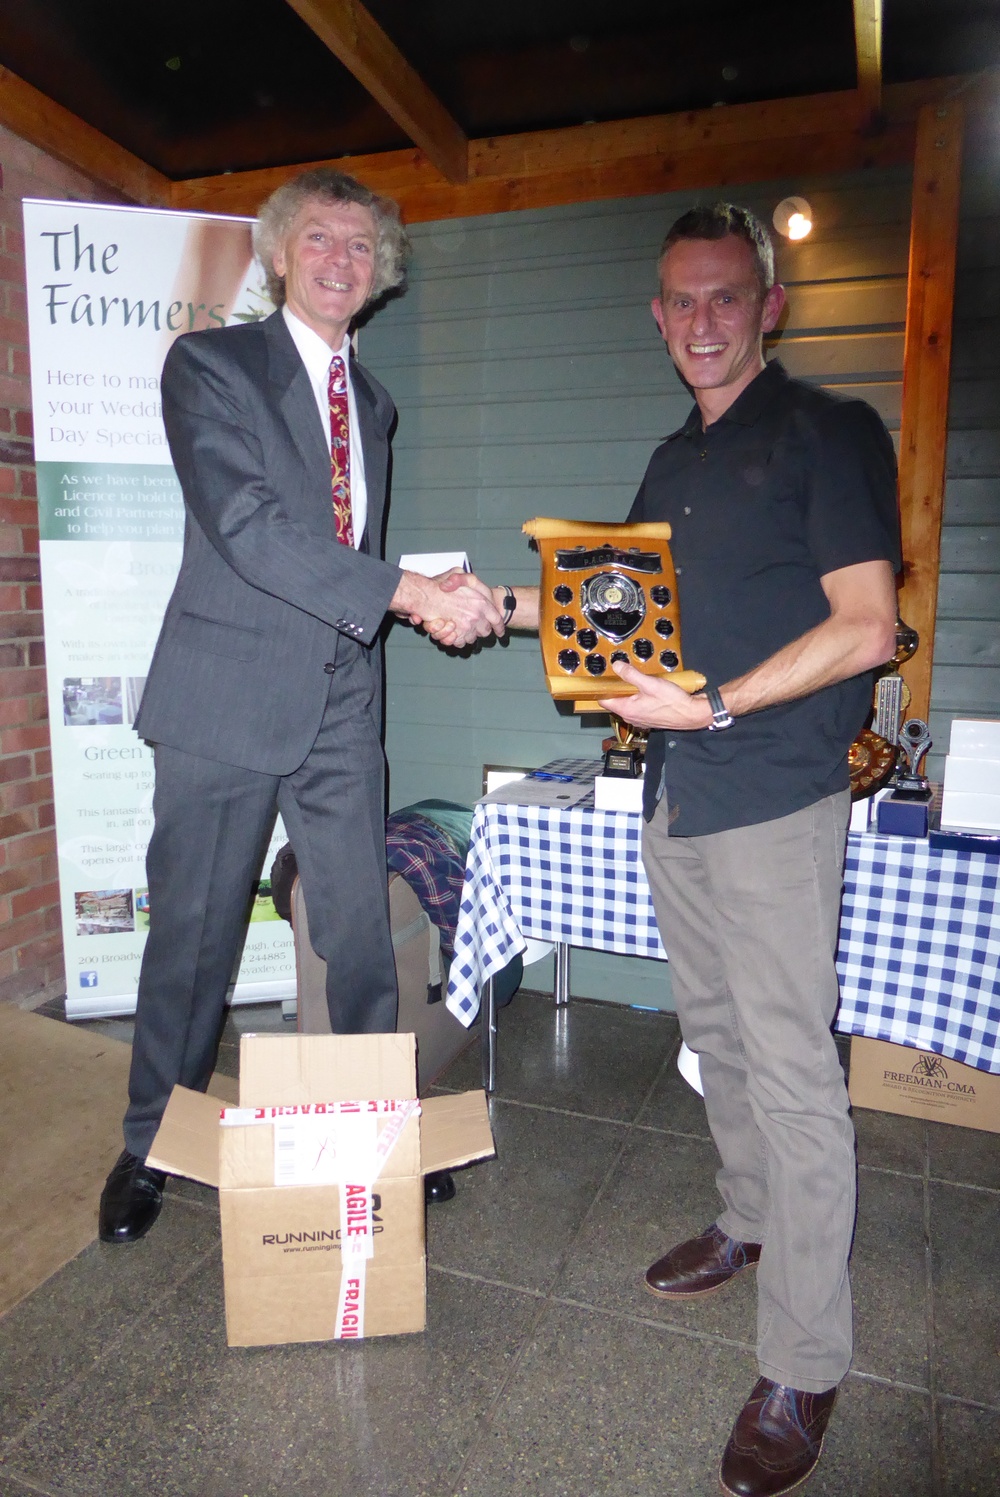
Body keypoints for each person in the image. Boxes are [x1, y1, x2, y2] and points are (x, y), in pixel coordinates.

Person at [457, 203, 899, 1497]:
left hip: (771, 793)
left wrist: (715, 705)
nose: (702, 321)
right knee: (716, 1035)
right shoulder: (671, 462)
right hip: (677, 798)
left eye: (726, 297)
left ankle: (805, 1362)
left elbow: (866, 627)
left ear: (768, 306)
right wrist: (492, 603)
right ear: (658, 319)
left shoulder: (829, 431)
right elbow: (616, 614)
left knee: (794, 1070)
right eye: (681, 302)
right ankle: (750, 1217)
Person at [99, 168, 502, 1246]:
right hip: (224, 697)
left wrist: (427, 590)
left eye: (361, 246)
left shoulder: (375, 403)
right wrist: (407, 595)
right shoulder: (210, 365)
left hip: (340, 702)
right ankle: (150, 1141)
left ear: (381, 274)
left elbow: (349, 549)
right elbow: (250, 526)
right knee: (195, 937)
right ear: (279, 254)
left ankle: (370, 1128)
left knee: (359, 935)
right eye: (319, 238)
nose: (340, 260)